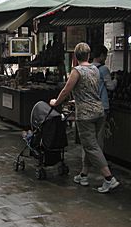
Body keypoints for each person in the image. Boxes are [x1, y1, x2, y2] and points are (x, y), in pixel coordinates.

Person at [50, 42, 120, 193]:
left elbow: (65, 90)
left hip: (86, 114)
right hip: (99, 111)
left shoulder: (77, 71)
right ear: (89, 55)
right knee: (91, 145)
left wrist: (56, 102)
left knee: (91, 146)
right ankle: (83, 175)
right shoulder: (95, 69)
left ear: (75, 56)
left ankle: (109, 179)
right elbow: (88, 90)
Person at [92, 45, 117, 117]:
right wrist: (115, 79)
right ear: (102, 55)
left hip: (90, 106)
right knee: (100, 127)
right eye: (105, 56)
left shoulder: (87, 68)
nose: (106, 59)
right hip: (101, 105)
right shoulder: (103, 69)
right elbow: (111, 87)